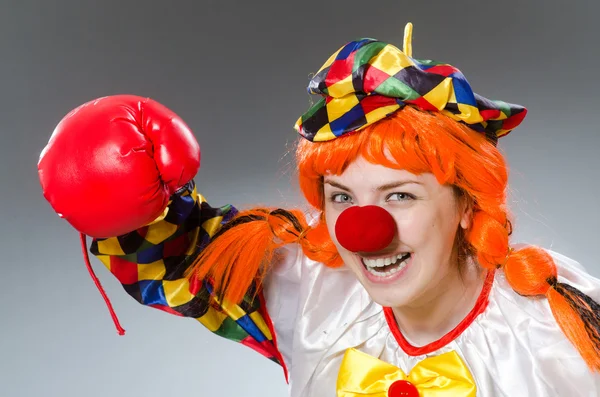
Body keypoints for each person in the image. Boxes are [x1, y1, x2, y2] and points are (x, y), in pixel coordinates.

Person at [38, 23, 600, 396]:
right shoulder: (310, 293)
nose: (363, 228)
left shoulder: (557, 331)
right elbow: (181, 257)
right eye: (341, 198)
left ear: (463, 205)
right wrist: (104, 177)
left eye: (399, 195)